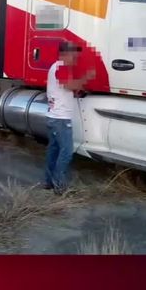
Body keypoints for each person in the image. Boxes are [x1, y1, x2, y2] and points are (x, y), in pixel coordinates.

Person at [40, 41, 95, 195]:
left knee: (53, 151)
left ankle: (49, 182)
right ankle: (59, 186)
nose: (75, 61)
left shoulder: (57, 68)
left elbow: (67, 88)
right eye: (74, 57)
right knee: (66, 152)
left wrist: (77, 89)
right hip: (61, 119)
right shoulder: (61, 67)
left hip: (54, 117)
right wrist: (86, 77)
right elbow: (69, 85)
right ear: (63, 55)